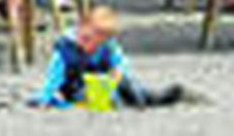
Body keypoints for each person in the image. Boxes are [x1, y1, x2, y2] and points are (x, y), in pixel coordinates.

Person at [30, 6, 186, 109]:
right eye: (86, 39)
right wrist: (45, 98)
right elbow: (54, 77)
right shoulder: (65, 49)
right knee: (93, 97)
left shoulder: (108, 47)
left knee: (129, 84)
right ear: (80, 27)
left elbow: (120, 61)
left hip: (107, 81)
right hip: (78, 87)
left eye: (97, 44)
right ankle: (123, 102)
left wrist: (120, 72)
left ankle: (150, 98)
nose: (90, 47)